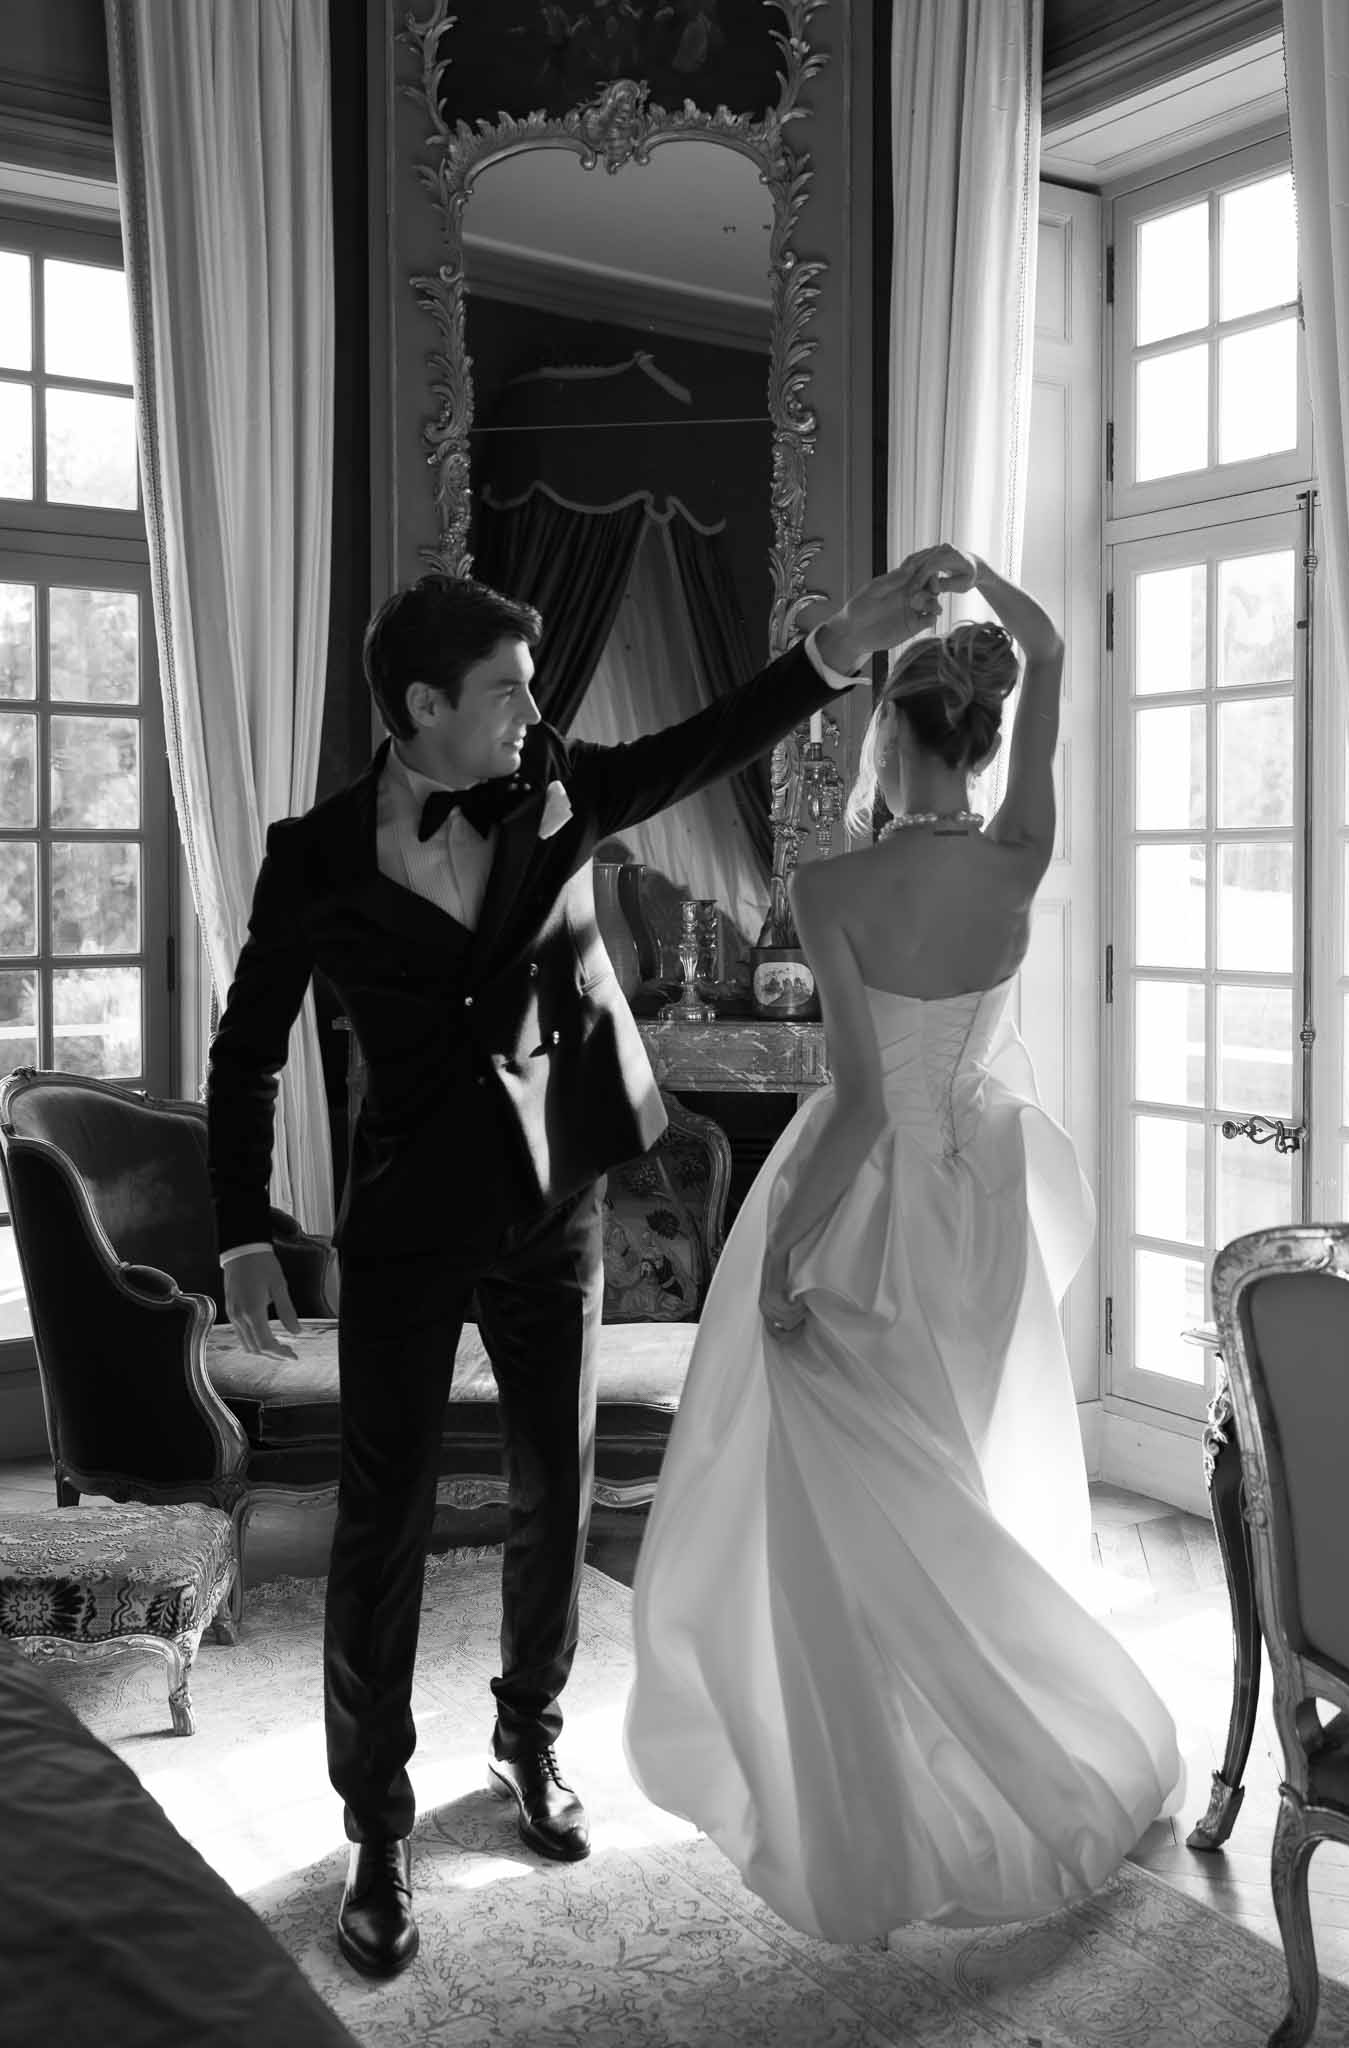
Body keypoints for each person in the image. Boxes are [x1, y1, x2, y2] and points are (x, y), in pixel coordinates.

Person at [205, 553, 953, 1978]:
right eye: (504, 692)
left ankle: (529, 1743)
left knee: (557, 1480)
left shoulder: (553, 776)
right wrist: (244, 1223)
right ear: (422, 707)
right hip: (410, 1214)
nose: (532, 714)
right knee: (384, 1518)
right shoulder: (311, 855)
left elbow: (700, 743)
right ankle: (374, 1822)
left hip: (557, 1198)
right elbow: (246, 1054)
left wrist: (835, 653)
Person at [625, 550, 1183, 1945]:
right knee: (961, 1483)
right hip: (980, 1202)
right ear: (988, 738)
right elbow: (1053, 655)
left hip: (867, 1207)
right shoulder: (1023, 856)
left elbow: (862, 1107)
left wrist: (779, 1259)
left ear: (891, 733)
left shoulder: (832, 885)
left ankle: (879, 1767)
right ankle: (998, 1742)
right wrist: (984, 584)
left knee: (852, 1499)